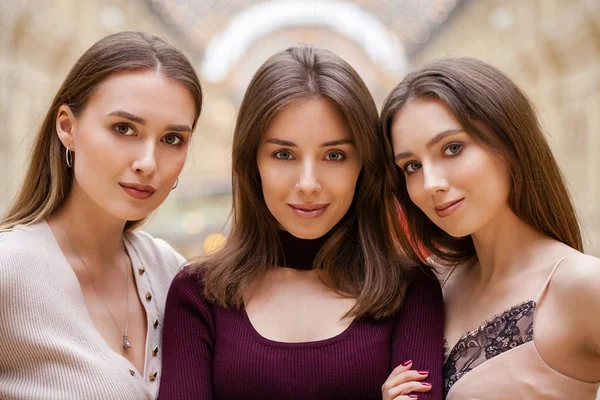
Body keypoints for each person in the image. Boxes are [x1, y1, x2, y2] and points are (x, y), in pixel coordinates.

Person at [158, 46, 444, 400]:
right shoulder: (197, 295)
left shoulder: (412, 291)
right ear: (252, 164)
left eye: (334, 155)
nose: (308, 183)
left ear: (364, 166)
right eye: (284, 154)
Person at [381, 56, 600, 399]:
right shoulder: (429, 284)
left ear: (509, 142)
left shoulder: (581, 285)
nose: (430, 184)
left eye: (452, 148)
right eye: (411, 166)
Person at [0, 31, 203, 399]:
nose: (147, 163)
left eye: (172, 139)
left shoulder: (172, 274)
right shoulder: (8, 271)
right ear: (67, 127)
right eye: (124, 129)